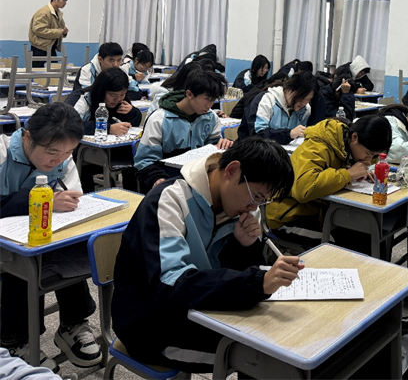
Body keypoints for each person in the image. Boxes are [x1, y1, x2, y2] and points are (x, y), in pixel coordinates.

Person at [112, 137, 302, 370]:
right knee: (267, 355)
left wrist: (244, 246)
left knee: (284, 336)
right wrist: (257, 282)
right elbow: (171, 284)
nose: (255, 207)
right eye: (257, 197)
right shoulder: (170, 201)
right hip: (152, 326)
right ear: (232, 171)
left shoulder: (245, 210)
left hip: (205, 309)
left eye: (263, 201)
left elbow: (240, 276)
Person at [0, 103, 102, 368]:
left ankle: (73, 323)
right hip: (6, 241)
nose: (59, 160)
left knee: (70, 249)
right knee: (20, 261)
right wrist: (38, 201)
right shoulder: (2, 153)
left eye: (68, 152)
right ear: (27, 137)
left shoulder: (63, 160)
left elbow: (74, 198)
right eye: (52, 152)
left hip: (40, 233)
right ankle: (15, 341)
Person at [266, 116, 391, 232]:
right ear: (354, 137)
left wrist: (358, 171)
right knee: (357, 232)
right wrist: (348, 174)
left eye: (374, 156)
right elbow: (303, 189)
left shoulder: (346, 146)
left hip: (318, 208)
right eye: (368, 154)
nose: (369, 161)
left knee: (372, 227)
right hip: (288, 213)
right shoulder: (318, 144)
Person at [134, 69, 233, 192]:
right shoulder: (159, 119)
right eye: (207, 99)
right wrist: (157, 178)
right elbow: (144, 160)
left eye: (213, 100)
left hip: (199, 180)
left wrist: (223, 144)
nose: (210, 105)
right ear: (189, 94)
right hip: (169, 181)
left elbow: (212, 147)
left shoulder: (210, 117)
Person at [70, 68, 142, 192]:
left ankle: (133, 196)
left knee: (135, 159)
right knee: (85, 167)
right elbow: (71, 124)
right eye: (112, 95)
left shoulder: (121, 99)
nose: (118, 99)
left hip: (115, 149)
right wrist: (108, 128)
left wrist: (133, 112)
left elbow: (132, 125)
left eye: (122, 94)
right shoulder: (84, 98)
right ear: (102, 90)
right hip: (84, 151)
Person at [238, 72, 314, 144]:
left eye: (308, 99)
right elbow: (258, 135)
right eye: (302, 98)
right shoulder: (267, 100)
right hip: (253, 149)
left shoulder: (305, 110)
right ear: (290, 90)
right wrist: (289, 134)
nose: (304, 103)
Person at [28, 0, 69, 68]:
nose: (65, 3)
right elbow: (39, 30)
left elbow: (61, 28)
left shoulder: (58, 13)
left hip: (51, 48)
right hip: (40, 49)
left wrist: (64, 32)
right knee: (38, 73)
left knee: (54, 72)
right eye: (63, 0)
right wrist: (59, 32)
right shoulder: (43, 12)